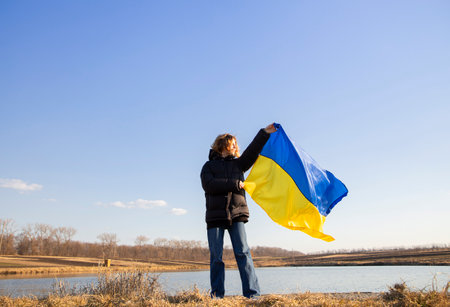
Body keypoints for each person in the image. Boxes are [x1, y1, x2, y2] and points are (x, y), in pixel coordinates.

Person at [200, 123, 277, 298]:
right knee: (216, 258)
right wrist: (234, 184)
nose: (235, 146)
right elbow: (209, 185)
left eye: (236, 144)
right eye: (232, 143)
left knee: (243, 253)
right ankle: (217, 295)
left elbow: (252, 150)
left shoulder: (239, 164)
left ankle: (252, 294)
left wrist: (264, 132)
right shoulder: (208, 167)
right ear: (222, 145)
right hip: (215, 217)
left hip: (237, 214)